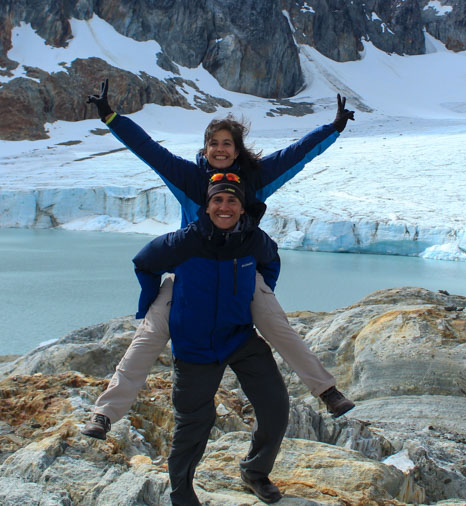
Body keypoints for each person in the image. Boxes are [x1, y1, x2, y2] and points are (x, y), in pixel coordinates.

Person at [80, 80, 355, 439]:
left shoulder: (255, 179)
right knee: (147, 337)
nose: (220, 149)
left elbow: (296, 154)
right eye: (214, 143)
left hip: (240, 273)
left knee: (278, 327)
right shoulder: (188, 177)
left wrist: (332, 129)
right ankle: (104, 413)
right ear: (205, 148)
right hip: (189, 275)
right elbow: (147, 149)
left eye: (227, 143)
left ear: (237, 148)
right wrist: (111, 117)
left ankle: (328, 392)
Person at [134, 173, 289, 505]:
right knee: (194, 422)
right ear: (206, 208)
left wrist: (259, 293)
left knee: (275, 405)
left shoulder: (252, 239)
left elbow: (271, 260)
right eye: (217, 200)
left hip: (239, 336)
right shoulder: (184, 241)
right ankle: (181, 492)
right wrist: (149, 302)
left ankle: (255, 471)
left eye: (232, 200)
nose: (224, 206)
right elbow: (144, 263)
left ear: (241, 207)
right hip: (195, 343)